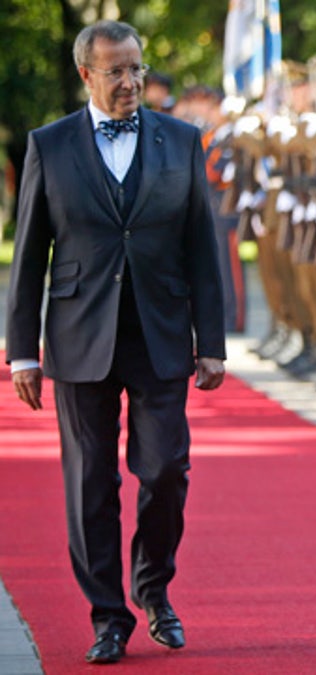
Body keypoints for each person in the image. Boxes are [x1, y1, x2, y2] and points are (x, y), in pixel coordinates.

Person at [5, 19, 226, 664]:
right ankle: (107, 615)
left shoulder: (182, 141)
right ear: (86, 75)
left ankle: (154, 589)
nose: (131, 81)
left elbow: (202, 250)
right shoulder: (49, 145)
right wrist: (22, 350)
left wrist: (210, 340)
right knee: (90, 484)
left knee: (165, 470)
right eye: (116, 71)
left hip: (160, 334)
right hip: (78, 338)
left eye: (136, 68)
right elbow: (29, 257)